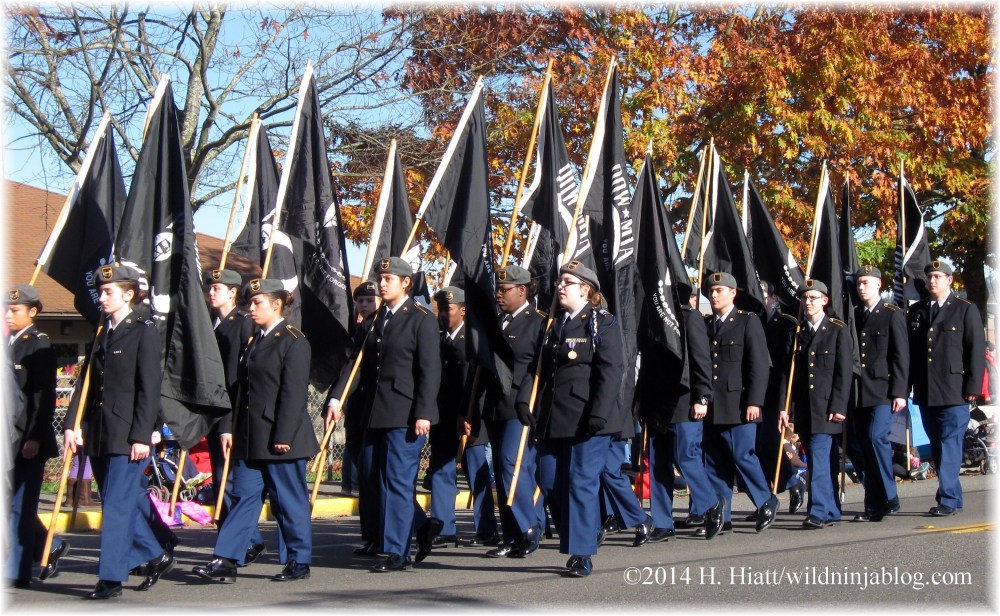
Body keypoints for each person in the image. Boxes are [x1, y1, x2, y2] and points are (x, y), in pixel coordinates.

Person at [194, 277, 318, 583]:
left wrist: (283, 437)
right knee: (242, 497)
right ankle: (226, 558)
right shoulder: (254, 340)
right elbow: (241, 391)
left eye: (257, 302)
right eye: (250, 302)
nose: (251, 308)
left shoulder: (294, 340)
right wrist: (231, 429)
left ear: (276, 304)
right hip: (251, 438)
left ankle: (298, 560)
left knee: (288, 502)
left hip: (280, 438)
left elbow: (293, 394)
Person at [325, 257, 442, 573]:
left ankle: (397, 552)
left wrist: (424, 412)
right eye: (381, 277)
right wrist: (336, 398)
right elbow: (356, 365)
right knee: (374, 478)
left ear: (406, 282)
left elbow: (429, 370)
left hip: (405, 414)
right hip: (374, 413)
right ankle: (421, 526)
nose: (382, 282)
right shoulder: (375, 320)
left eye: (389, 278)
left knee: (397, 482)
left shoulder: (421, 319)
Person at [63, 264, 171, 599]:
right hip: (99, 432)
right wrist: (71, 425)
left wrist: (143, 435)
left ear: (128, 294)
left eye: (109, 291)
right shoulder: (101, 331)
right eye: (101, 291)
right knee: (115, 500)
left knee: (117, 508)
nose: (103, 296)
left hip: (128, 434)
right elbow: (86, 384)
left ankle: (110, 579)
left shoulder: (143, 331)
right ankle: (154, 553)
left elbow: (149, 388)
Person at [519, 260, 624, 578]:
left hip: (587, 419)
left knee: (581, 482)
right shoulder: (551, 324)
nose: (560, 286)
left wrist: (599, 414)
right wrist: (526, 402)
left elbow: (610, 371)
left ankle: (581, 552)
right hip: (553, 419)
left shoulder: (602, 323)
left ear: (585, 289)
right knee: (549, 480)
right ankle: (585, 530)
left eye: (567, 282)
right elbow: (533, 368)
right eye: (560, 281)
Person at [637, 286, 724, 542]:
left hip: (684, 401)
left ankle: (710, 504)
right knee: (658, 463)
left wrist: (702, 396)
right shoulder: (651, 317)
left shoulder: (690, 317)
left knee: (686, 457)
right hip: (656, 402)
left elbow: (701, 359)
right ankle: (663, 523)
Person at [702, 272, 779, 535]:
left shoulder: (748, 321)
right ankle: (721, 515)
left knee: (742, 455)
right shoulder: (706, 324)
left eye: (719, 290)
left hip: (739, 404)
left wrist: (755, 400)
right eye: (711, 291)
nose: (713, 295)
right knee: (715, 461)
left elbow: (759, 364)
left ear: (733, 293)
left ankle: (765, 500)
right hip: (713, 405)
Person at [907, 260, 985, 516]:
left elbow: (975, 350)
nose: (933, 281)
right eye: (930, 277)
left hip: (955, 390)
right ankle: (952, 494)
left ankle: (948, 498)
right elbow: (913, 354)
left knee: (950, 443)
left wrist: (973, 386)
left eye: (939, 277)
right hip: (927, 390)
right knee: (938, 446)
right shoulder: (917, 311)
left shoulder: (964, 309)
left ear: (950, 280)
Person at [6, 284, 69, 588]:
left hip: (27, 439)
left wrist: (34, 436)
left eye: (14, 310)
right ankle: (50, 544)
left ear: (32, 312)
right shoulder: (8, 343)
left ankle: (17, 572)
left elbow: (43, 396)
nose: (7, 314)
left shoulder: (38, 344)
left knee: (21, 504)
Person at [482, 265, 545, 558]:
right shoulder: (496, 322)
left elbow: (538, 370)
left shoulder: (538, 323)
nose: (498, 294)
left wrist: (529, 404)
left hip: (521, 406)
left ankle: (530, 525)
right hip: (495, 405)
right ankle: (510, 535)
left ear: (522, 290)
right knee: (501, 470)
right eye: (498, 288)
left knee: (513, 464)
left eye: (504, 289)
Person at [204, 268, 266, 565]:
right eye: (210, 287)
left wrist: (229, 422)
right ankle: (244, 540)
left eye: (218, 288)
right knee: (220, 480)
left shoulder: (242, 324)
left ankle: (243, 541)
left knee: (228, 480)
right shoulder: (210, 324)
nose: (212, 292)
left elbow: (238, 379)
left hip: (234, 414)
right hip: (215, 413)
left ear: (233, 292)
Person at [783, 279, 852, 529]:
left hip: (827, 408)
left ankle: (819, 510)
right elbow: (789, 375)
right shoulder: (797, 333)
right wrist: (786, 407)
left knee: (820, 458)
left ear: (825, 300)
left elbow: (844, 372)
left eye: (813, 298)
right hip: (804, 408)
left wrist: (839, 406)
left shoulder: (837, 330)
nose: (807, 302)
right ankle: (832, 508)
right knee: (822, 457)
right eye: (804, 298)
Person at [328, 280, 382, 556]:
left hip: (377, 411)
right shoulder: (360, 329)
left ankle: (409, 526)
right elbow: (349, 367)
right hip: (357, 412)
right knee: (366, 478)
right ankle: (372, 536)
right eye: (360, 300)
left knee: (378, 477)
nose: (365, 304)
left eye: (369, 300)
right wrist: (336, 399)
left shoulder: (381, 327)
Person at [851, 266, 909, 522]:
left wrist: (899, 392)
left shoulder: (891, 313)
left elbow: (900, 355)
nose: (861, 287)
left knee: (876, 439)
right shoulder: (854, 315)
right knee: (861, 447)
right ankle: (873, 502)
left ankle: (888, 495)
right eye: (858, 283)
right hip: (858, 391)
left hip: (883, 390)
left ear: (878, 284)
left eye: (866, 282)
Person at [426, 286, 467, 547]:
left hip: (467, 415)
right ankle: (444, 527)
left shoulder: (471, 341)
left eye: (448, 309)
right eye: (439, 309)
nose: (442, 314)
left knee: (477, 472)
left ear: (463, 311)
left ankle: (487, 526)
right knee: (441, 469)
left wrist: (468, 413)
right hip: (442, 415)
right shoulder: (437, 340)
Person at [756, 280, 801, 511]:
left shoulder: (786, 324)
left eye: (764, 293)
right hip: (754, 394)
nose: (761, 298)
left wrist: (786, 403)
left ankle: (792, 482)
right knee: (756, 448)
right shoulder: (751, 320)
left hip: (776, 394)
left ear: (773, 298)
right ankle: (767, 497)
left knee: (770, 444)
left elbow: (786, 368)